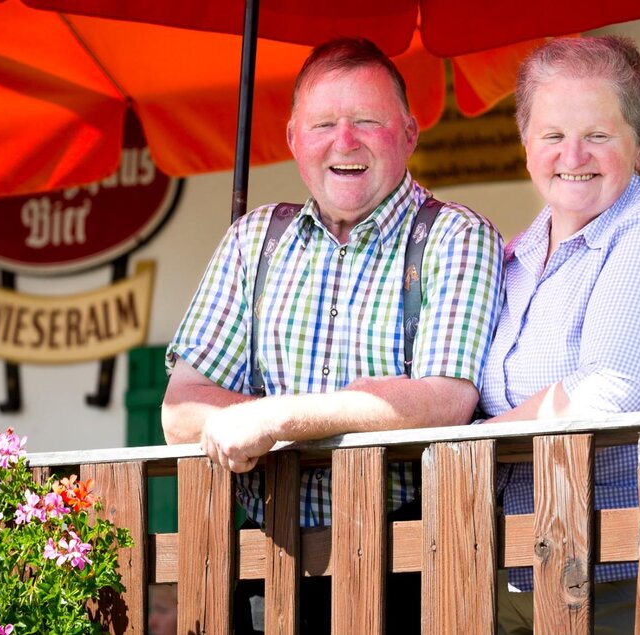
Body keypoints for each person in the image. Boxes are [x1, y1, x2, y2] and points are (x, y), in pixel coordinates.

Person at [163, 37, 504, 632]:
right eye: (324, 124)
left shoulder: (455, 237)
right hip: (266, 564)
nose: (344, 142)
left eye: (366, 121)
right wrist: (357, 409)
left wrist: (274, 421)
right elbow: (181, 413)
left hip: (413, 563)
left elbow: (444, 400)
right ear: (294, 139)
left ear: (409, 133)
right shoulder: (253, 241)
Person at [478, 35, 640, 634]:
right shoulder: (517, 257)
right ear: (526, 144)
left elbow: (607, 393)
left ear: (639, 146)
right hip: (529, 569)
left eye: (599, 136)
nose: (572, 154)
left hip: (638, 570)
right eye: (553, 135)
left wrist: (468, 441)